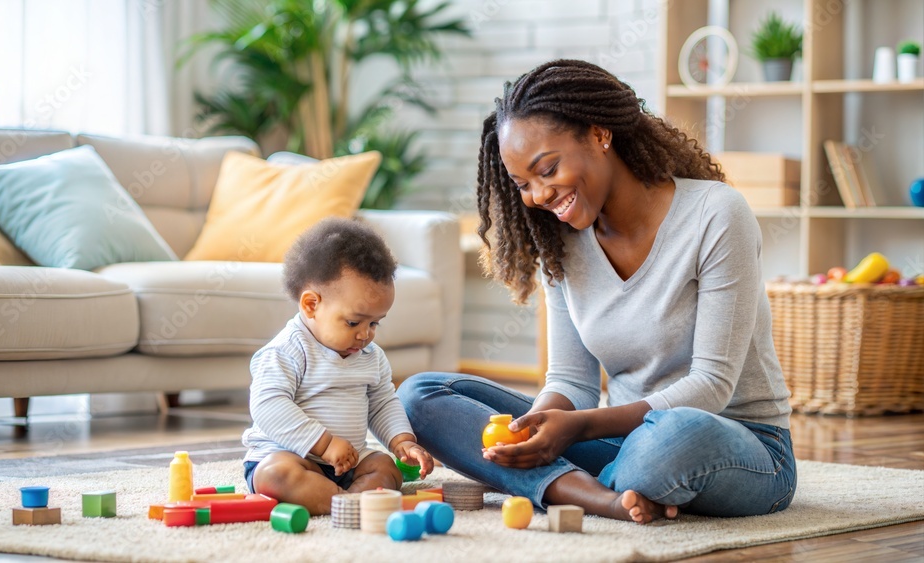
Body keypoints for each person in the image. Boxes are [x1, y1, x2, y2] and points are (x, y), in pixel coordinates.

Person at [398, 60, 795, 523]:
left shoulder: (715, 214)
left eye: (547, 169)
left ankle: (565, 486)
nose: (539, 196)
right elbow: (571, 382)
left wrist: (577, 429)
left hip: (737, 442)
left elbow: (711, 385)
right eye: (523, 184)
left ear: (599, 134)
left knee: (667, 439)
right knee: (421, 395)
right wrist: (534, 429)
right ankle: (603, 497)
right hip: (622, 438)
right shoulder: (557, 240)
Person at [243, 217, 433, 516]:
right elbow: (268, 405)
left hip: (348, 463)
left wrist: (402, 441)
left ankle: (345, 501)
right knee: (275, 476)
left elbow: (383, 403)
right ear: (311, 305)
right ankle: (346, 503)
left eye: (375, 323)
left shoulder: (370, 355)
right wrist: (325, 444)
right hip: (292, 456)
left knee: (386, 470)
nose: (365, 334)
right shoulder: (287, 351)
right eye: (354, 322)